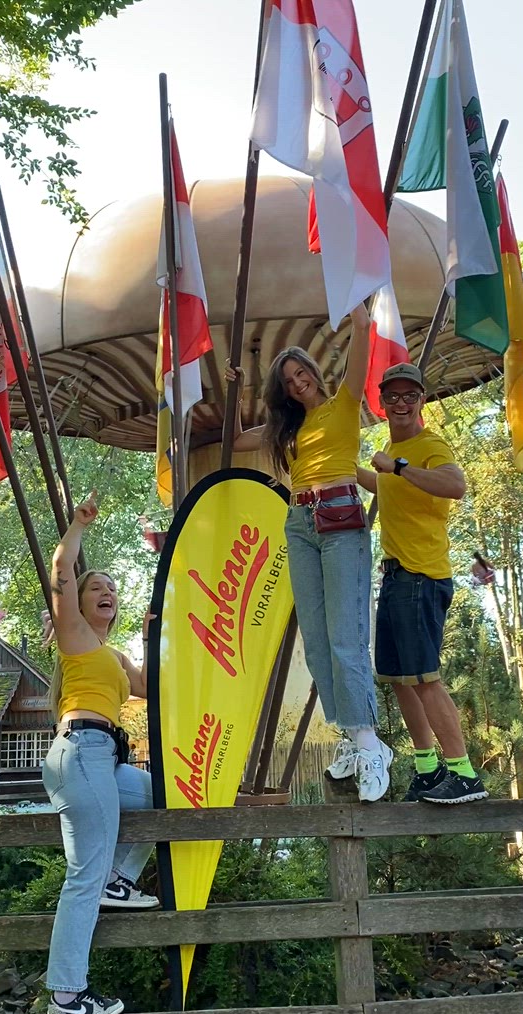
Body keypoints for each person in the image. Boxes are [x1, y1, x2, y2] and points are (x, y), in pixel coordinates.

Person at [225, 302, 393, 801]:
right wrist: (239, 392)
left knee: (346, 637)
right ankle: (351, 735)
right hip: (298, 523)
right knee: (316, 643)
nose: (297, 383)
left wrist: (355, 289)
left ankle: (370, 744)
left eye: (301, 374)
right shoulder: (287, 429)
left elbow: (363, 328)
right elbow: (235, 441)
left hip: (341, 519)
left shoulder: (342, 403)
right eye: (288, 380)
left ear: (315, 373)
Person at [40, 489, 158, 1014]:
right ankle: (67, 997)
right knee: (82, 879)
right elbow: (61, 568)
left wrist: (158, 631)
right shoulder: (75, 636)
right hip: (82, 752)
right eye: (97, 587)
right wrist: (79, 524)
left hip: (102, 760)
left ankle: (119, 878)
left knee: (165, 795)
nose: (106, 591)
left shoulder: (112, 655)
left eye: (112, 588)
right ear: (81, 605)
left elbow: (151, 689)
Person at [356, 363, 487, 805]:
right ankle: (428, 768)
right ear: (382, 402)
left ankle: (465, 775)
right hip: (394, 576)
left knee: (425, 679)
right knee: (399, 679)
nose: (400, 403)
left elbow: (455, 485)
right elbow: (388, 488)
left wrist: (400, 465)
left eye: (409, 395)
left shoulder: (428, 446)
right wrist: (354, 471)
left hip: (421, 578)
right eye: (392, 396)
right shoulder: (392, 456)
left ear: (421, 400)